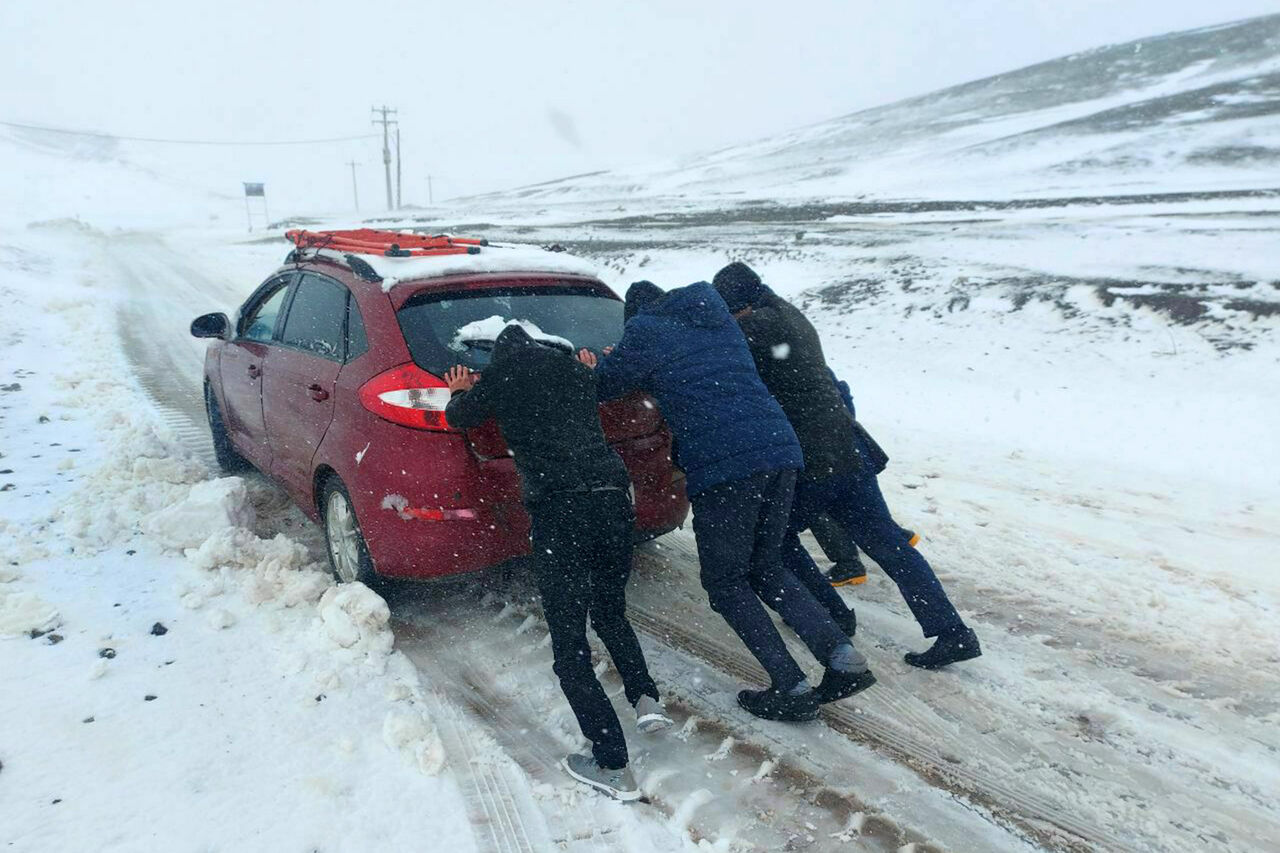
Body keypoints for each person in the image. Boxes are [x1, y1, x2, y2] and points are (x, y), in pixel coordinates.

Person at [578, 280, 875, 723]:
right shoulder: (716, 317)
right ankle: (842, 659)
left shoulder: (645, 329)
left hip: (726, 464)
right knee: (768, 565)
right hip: (778, 449)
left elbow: (606, 385)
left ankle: (791, 687)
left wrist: (595, 364)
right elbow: (694, 369)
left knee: (725, 582)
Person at [713, 262, 981, 670]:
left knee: (775, 539)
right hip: (848, 449)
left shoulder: (758, 326)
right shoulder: (790, 315)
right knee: (889, 543)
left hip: (815, 459)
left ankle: (831, 614)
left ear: (743, 305)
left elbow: (716, 351)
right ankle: (952, 632)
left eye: (731, 310)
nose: (730, 317)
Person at [444, 324, 672, 802]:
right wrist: (585, 368)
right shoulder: (572, 371)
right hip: (613, 500)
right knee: (610, 609)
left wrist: (463, 389)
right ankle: (645, 698)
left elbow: (460, 416)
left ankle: (612, 764)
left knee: (569, 644)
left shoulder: (500, 378)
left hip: (562, 510)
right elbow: (596, 384)